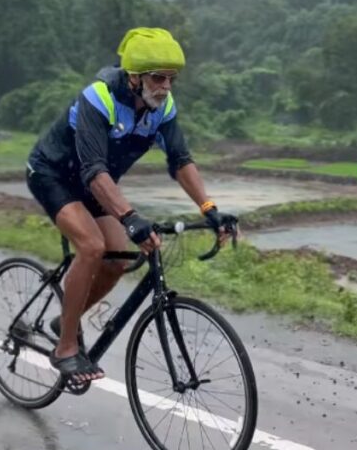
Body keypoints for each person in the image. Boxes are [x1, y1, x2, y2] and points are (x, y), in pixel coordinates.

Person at [25, 27, 235, 386]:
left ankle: (67, 321)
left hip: (95, 186)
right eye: (158, 78)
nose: (166, 87)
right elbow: (93, 169)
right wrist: (130, 216)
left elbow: (181, 159)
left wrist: (209, 207)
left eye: (172, 79)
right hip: (54, 175)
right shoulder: (99, 98)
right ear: (135, 77)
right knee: (92, 246)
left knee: (119, 258)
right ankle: (64, 349)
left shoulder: (162, 109)